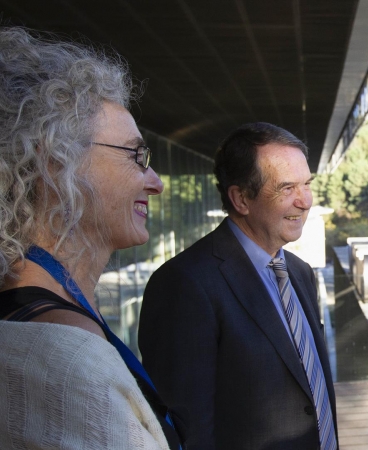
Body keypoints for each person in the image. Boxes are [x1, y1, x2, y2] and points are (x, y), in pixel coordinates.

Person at [0, 27, 179, 448]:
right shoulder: (67, 352)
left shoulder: (36, 309)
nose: (155, 182)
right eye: (136, 155)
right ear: (55, 164)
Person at [139, 122, 337, 449]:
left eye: (307, 184)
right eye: (287, 188)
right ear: (241, 198)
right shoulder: (184, 284)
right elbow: (190, 431)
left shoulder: (300, 272)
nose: (304, 201)